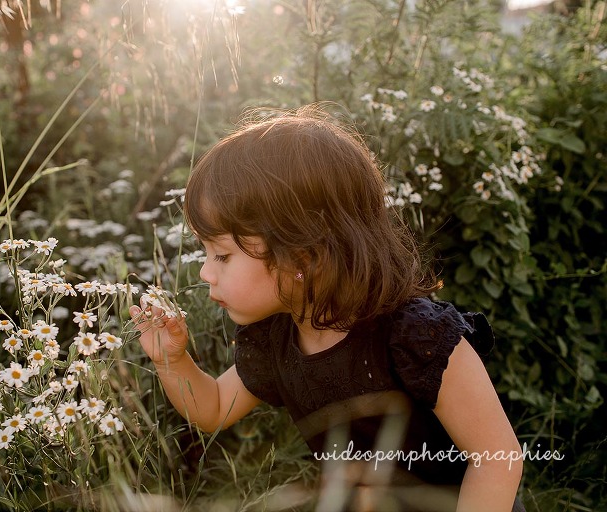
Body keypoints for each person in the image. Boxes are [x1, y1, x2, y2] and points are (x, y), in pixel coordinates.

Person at [130, 105, 524, 511]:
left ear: (303, 255)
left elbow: (498, 460)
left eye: (222, 255)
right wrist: (171, 361)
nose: (205, 273)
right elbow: (213, 408)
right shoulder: (276, 338)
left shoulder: (416, 337)